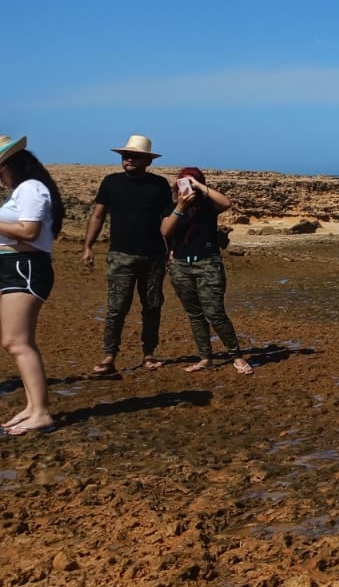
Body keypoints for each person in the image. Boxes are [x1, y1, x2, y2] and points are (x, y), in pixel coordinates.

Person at [82, 134, 170, 375]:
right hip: (120, 255)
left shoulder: (159, 185)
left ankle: (149, 354)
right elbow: (97, 215)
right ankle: (109, 356)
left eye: (134, 156)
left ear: (147, 161)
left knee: (152, 306)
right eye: (125, 155)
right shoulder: (111, 183)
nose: (128, 159)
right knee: (116, 308)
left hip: (153, 257)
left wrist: (171, 249)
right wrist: (88, 245)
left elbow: (167, 220)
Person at [158, 167, 253, 375]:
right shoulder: (172, 207)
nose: (187, 185)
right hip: (181, 266)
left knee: (215, 313)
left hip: (208, 263)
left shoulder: (208, 207)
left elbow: (226, 203)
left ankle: (236, 356)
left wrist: (200, 186)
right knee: (195, 314)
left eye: (191, 182)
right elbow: (165, 230)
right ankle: (205, 357)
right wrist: (181, 206)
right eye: (182, 182)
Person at [0, 136, 64, 435]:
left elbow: (29, 230)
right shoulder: (24, 191)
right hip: (15, 268)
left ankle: (40, 412)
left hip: (24, 268)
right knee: (17, 342)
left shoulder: (31, 188)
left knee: (17, 342)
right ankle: (32, 406)